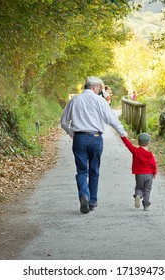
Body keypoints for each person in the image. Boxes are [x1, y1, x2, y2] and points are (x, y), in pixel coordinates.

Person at [61, 76, 128, 214]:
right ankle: (92, 200)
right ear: (94, 87)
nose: (100, 91)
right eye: (100, 89)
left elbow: (64, 122)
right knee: (94, 170)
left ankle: (83, 195)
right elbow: (111, 119)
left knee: (81, 171)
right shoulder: (99, 101)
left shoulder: (74, 100)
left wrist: (72, 133)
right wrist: (122, 133)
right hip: (96, 138)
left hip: (79, 138)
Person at [121, 133, 157, 211]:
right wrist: (154, 173)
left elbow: (128, 144)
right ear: (149, 143)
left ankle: (138, 195)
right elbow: (153, 165)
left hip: (139, 175)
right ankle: (146, 205)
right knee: (147, 190)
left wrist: (123, 137)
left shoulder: (135, 151)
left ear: (138, 142)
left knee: (139, 187)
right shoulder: (150, 154)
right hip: (148, 175)